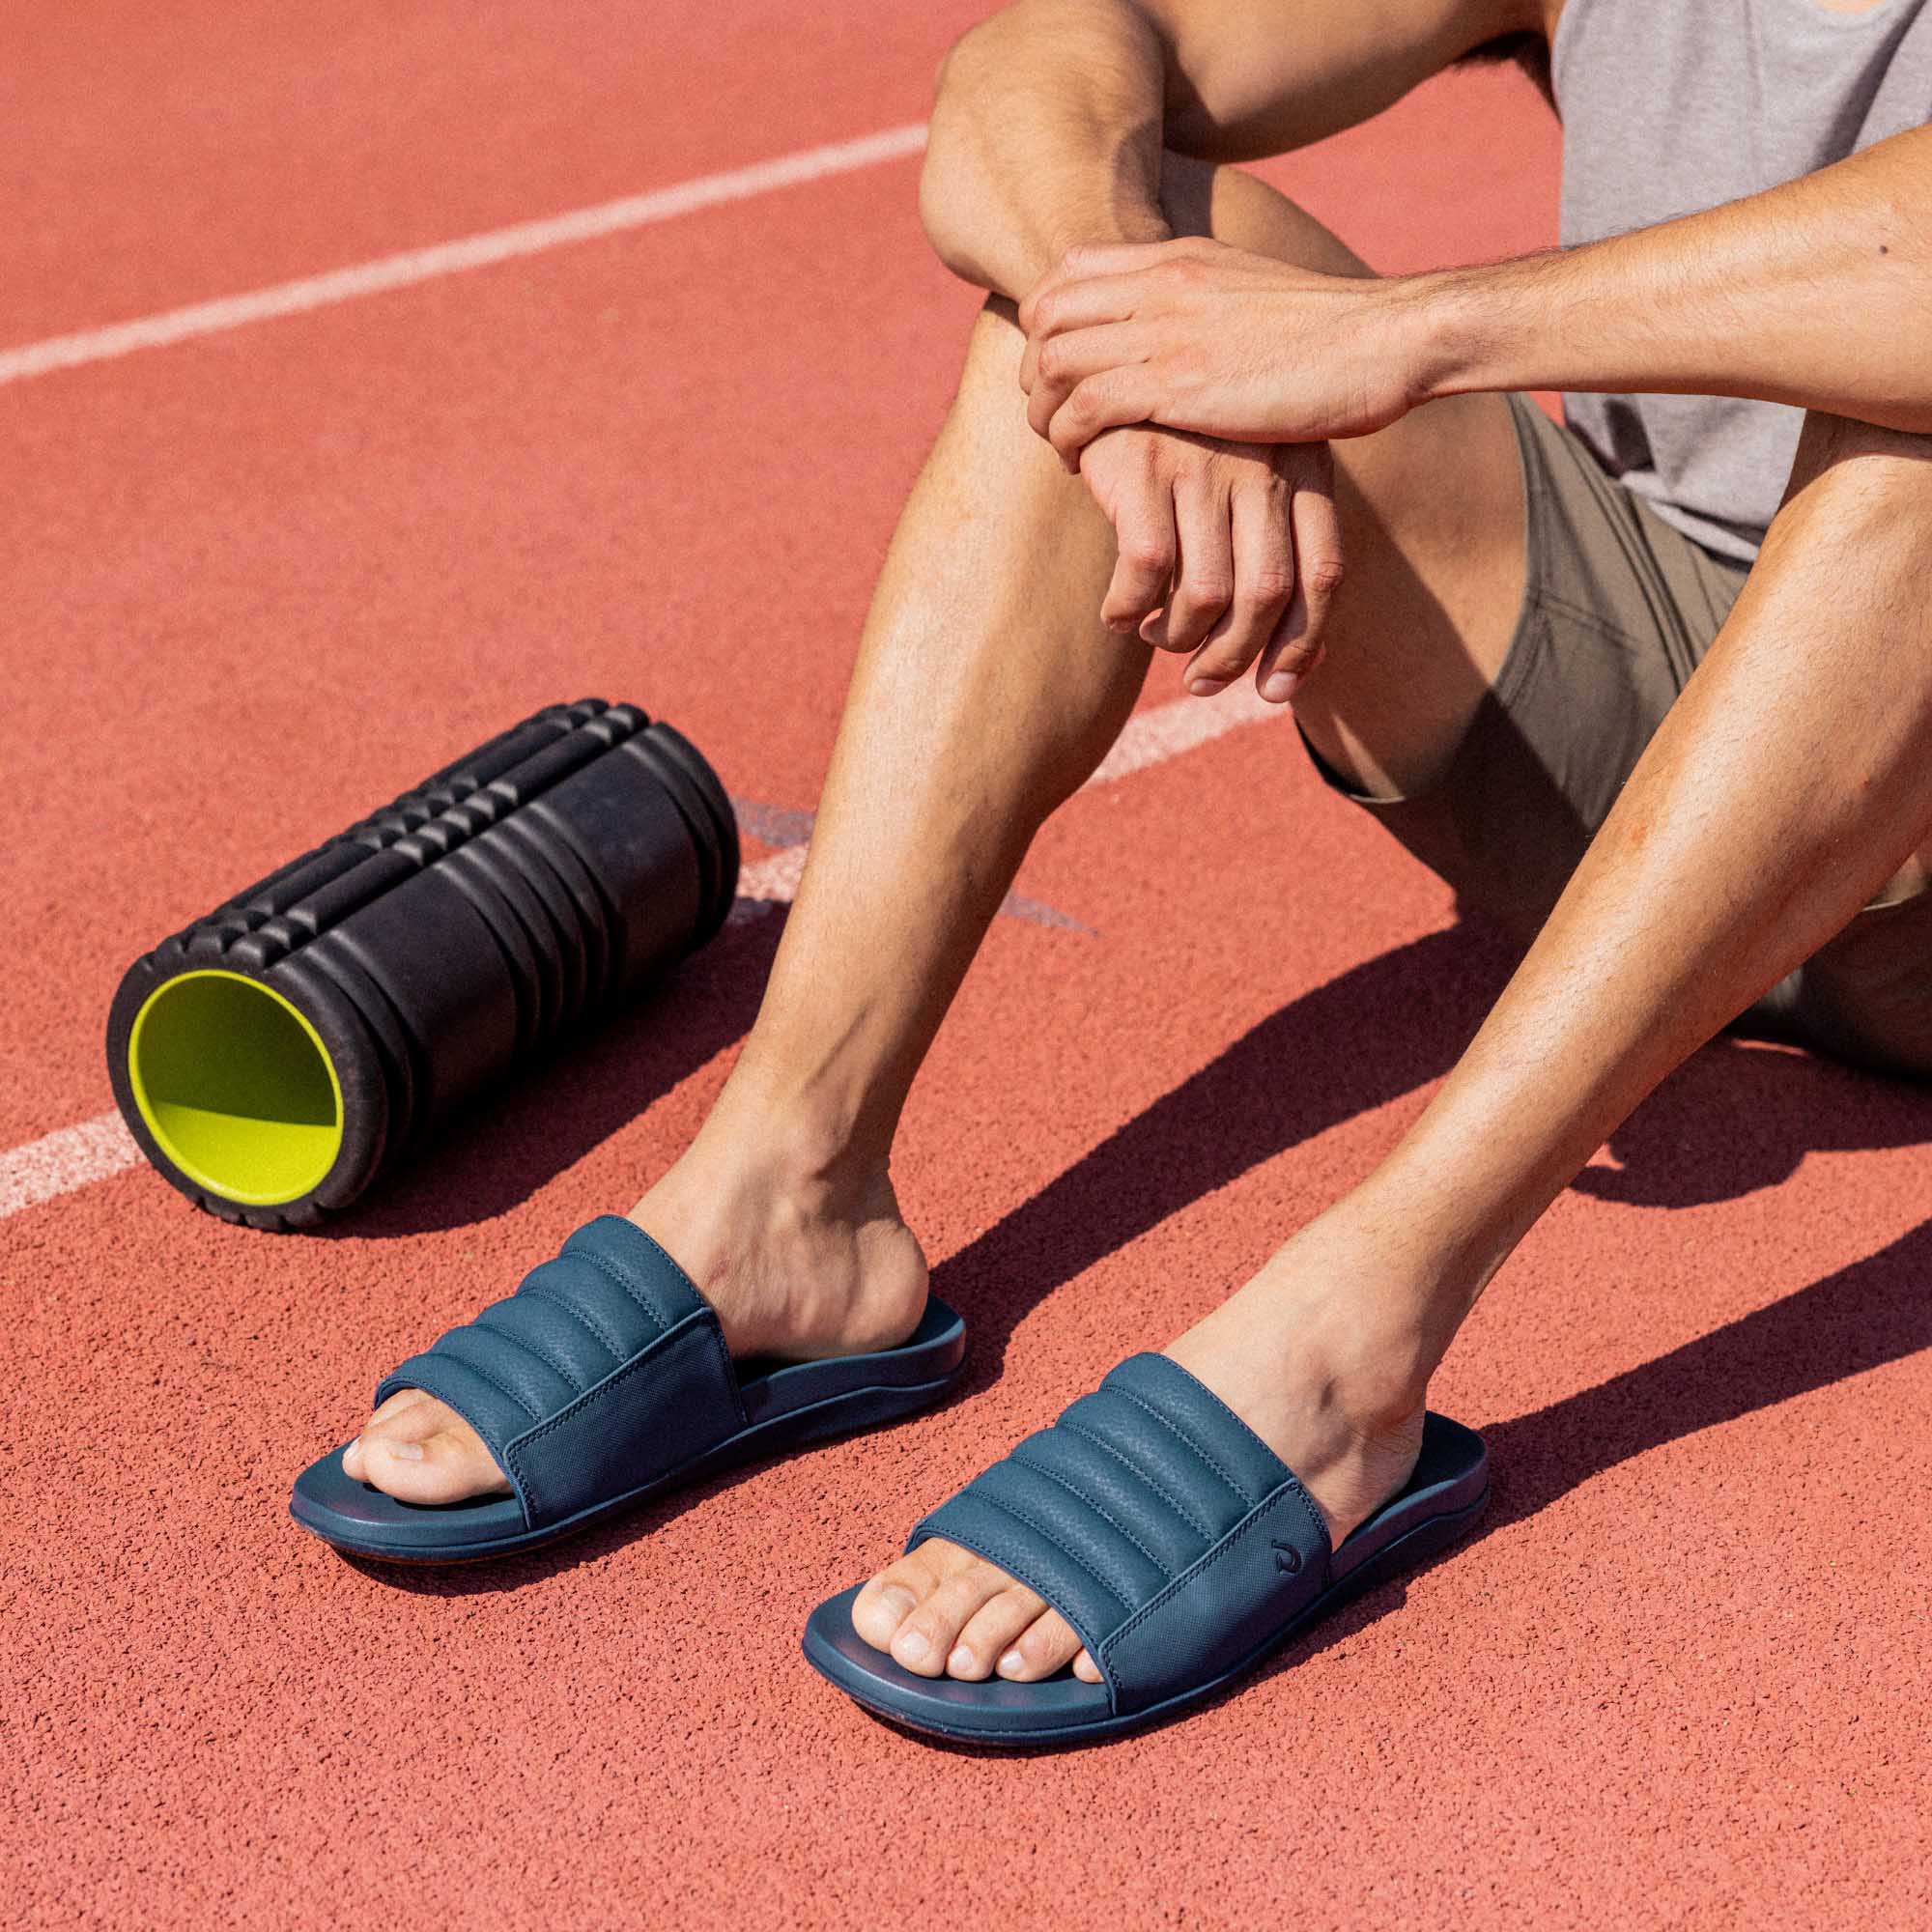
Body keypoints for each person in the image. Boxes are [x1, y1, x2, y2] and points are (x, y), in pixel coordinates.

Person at [327, 0, 1932, 1701]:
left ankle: (1351, 1342)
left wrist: (1410, 335)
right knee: (1125, 275)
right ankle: (788, 1200)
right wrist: (1152, 372)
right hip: (1660, 715)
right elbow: (1058, 51)